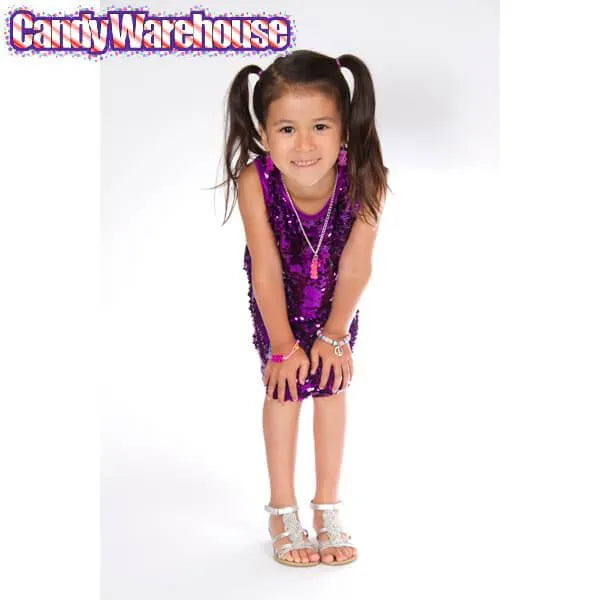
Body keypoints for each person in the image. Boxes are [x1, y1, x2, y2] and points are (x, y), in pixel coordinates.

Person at [218, 49, 388, 566]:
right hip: (277, 307)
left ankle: (327, 507)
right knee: (285, 391)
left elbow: (357, 264)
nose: (305, 144)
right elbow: (266, 267)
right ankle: (282, 510)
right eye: (287, 129)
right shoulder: (255, 180)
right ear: (264, 134)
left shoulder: (367, 176)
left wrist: (335, 334)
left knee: (332, 389)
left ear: (344, 128)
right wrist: (283, 345)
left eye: (320, 126)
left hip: (337, 307)